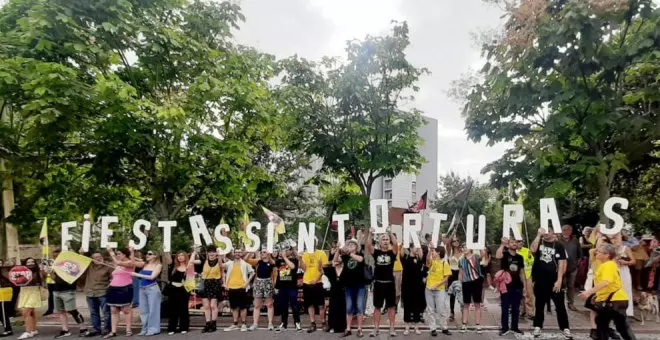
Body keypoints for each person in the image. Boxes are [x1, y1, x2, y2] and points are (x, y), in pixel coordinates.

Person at [579, 243, 637, 340]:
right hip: (610, 301)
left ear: (607, 255)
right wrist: (596, 297)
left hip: (616, 301)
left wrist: (588, 292)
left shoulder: (608, 265)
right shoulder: (605, 265)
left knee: (622, 328)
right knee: (601, 324)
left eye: (600, 251)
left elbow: (606, 282)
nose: (597, 252)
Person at [530, 228, 572, 339]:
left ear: (553, 232)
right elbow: (533, 249)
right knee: (539, 304)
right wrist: (538, 235)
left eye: (548, 230)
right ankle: (538, 326)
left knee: (560, 305)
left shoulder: (559, 245)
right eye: (544, 230)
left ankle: (565, 328)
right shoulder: (539, 241)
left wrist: (559, 280)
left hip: (554, 280)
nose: (546, 232)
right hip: (540, 279)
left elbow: (562, 263)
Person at [365, 230, 397, 337]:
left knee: (391, 307)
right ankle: (376, 328)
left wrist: (390, 232)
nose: (385, 241)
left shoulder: (392, 252)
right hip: (378, 284)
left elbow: (396, 244)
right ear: (379, 242)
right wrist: (370, 233)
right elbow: (369, 245)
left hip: (390, 284)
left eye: (387, 239)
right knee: (377, 307)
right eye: (383, 239)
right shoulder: (377, 252)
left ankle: (392, 328)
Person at [49, 251, 87, 339]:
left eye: (57, 256)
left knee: (72, 310)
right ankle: (65, 330)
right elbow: (51, 277)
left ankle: (83, 328)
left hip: (68, 290)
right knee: (61, 311)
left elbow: (79, 265)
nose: (55, 257)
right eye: (54, 256)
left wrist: (81, 254)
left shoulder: (68, 264)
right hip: (56, 290)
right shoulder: (54, 265)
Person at [495, 238, 526, 335]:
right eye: (512, 242)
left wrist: (524, 286)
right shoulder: (504, 254)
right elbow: (497, 255)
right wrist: (502, 245)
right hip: (506, 285)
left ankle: (515, 327)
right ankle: (505, 328)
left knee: (516, 308)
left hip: (517, 285)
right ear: (508, 244)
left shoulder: (520, 257)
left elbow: (522, 272)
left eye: (516, 242)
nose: (514, 244)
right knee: (505, 307)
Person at [79, 249, 112, 337]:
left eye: (99, 257)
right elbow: (81, 262)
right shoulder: (89, 265)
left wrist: (109, 287)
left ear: (102, 257)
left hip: (103, 292)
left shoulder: (108, 266)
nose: (98, 259)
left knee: (106, 312)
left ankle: (107, 329)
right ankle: (96, 329)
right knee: (93, 312)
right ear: (92, 259)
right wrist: (81, 253)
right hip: (90, 292)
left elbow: (113, 278)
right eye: (95, 257)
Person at [336, 239, 366, 338]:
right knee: (349, 308)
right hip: (348, 286)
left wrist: (349, 253)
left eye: (353, 244)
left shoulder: (360, 255)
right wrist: (337, 250)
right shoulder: (344, 257)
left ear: (357, 247)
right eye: (349, 244)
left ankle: (359, 329)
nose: (351, 245)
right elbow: (336, 260)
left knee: (359, 307)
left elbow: (360, 260)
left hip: (360, 286)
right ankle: (348, 329)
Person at [104, 248, 136, 338]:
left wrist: (111, 252)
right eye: (117, 254)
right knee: (114, 310)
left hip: (125, 288)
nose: (117, 255)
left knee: (126, 310)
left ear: (125, 255)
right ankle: (113, 331)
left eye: (119, 253)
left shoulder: (130, 263)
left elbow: (119, 262)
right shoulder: (118, 265)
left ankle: (128, 330)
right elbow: (116, 265)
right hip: (113, 288)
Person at [223, 249, 255, 332]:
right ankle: (235, 324)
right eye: (236, 252)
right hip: (231, 287)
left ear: (242, 253)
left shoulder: (245, 264)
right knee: (233, 307)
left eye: (239, 252)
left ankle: (244, 324)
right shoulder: (229, 263)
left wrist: (247, 283)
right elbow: (220, 266)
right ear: (234, 253)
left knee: (242, 307)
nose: (237, 253)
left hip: (241, 288)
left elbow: (252, 273)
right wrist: (220, 256)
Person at [132, 250, 162, 336]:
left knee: (153, 310)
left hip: (152, 288)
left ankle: (153, 329)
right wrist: (131, 251)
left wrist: (137, 275)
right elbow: (132, 261)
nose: (147, 255)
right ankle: (145, 328)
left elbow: (152, 277)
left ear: (155, 256)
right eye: (147, 253)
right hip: (142, 289)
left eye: (150, 254)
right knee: (143, 310)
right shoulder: (145, 264)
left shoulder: (158, 265)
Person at [301, 240, 328, 333]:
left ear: (316, 243)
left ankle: (323, 322)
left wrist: (316, 280)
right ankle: (312, 323)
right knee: (310, 304)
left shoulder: (321, 253)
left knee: (321, 305)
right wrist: (300, 258)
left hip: (318, 283)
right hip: (306, 282)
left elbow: (324, 270)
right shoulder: (304, 254)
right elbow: (303, 268)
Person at [424, 246, 451, 336]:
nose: (432, 252)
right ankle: (433, 328)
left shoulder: (444, 263)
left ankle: (444, 327)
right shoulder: (432, 261)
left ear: (439, 252)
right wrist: (429, 250)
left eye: (434, 251)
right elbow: (427, 260)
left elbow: (446, 278)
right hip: (429, 288)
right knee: (430, 309)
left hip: (439, 290)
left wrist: (437, 284)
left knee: (441, 309)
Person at [275, 243, 302, 332]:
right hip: (282, 287)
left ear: (290, 251)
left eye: (287, 250)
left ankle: (297, 323)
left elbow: (292, 267)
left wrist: (286, 256)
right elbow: (273, 262)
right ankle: (283, 323)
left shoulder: (294, 260)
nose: (285, 251)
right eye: (284, 250)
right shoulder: (279, 261)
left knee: (294, 306)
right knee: (283, 306)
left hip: (292, 287)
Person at [194, 245, 222, 333]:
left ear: (216, 253)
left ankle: (213, 324)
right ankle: (207, 324)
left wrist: (219, 255)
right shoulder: (204, 261)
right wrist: (194, 251)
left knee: (213, 305)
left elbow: (221, 265)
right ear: (207, 253)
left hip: (215, 284)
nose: (212, 254)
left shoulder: (218, 261)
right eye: (210, 252)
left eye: (213, 252)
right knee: (206, 306)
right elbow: (192, 262)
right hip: (205, 283)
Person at [248, 249, 275, 331]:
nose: (262, 253)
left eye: (264, 252)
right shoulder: (258, 262)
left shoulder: (271, 262)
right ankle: (255, 323)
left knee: (269, 304)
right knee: (256, 305)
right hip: (258, 282)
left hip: (268, 282)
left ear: (268, 253)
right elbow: (246, 260)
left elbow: (273, 263)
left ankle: (270, 324)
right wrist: (250, 251)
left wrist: (269, 256)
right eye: (261, 252)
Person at [458, 247, 484, 333]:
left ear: (470, 249)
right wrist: (459, 283)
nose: (464, 248)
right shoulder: (461, 260)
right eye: (463, 247)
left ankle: (478, 325)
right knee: (466, 304)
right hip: (466, 283)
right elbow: (461, 273)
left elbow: (483, 255)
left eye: (466, 247)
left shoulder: (476, 257)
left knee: (477, 304)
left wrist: (481, 246)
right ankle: (464, 324)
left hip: (476, 282)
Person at [167, 251, 193, 335]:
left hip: (184, 289)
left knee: (183, 309)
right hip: (173, 289)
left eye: (182, 255)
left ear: (185, 257)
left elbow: (190, 280)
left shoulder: (189, 267)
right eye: (178, 256)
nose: (180, 257)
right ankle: (172, 328)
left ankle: (184, 327)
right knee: (173, 309)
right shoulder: (172, 267)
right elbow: (170, 278)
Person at [610, 233, 635, 317]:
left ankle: (627, 311)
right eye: (613, 239)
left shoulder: (626, 248)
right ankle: (614, 310)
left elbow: (633, 261)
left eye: (616, 238)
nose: (615, 240)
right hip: (613, 271)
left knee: (625, 289)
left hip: (624, 271)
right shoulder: (610, 249)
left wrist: (625, 262)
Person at [16, 258, 41, 340]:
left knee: (26, 312)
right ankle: (33, 330)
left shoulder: (38, 272)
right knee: (31, 312)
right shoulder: (20, 272)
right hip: (24, 292)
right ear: (25, 263)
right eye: (28, 262)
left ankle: (28, 331)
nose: (31, 263)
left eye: (32, 261)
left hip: (33, 292)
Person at [560, 224, 582, 311]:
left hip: (573, 267)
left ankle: (571, 303)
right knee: (562, 285)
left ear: (571, 231)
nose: (566, 232)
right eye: (564, 230)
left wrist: (577, 264)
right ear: (561, 231)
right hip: (561, 267)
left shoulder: (575, 240)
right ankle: (560, 303)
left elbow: (580, 253)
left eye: (568, 230)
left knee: (571, 285)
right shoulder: (558, 241)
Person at [325, 260, 346, 333]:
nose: (338, 259)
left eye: (340, 257)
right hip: (333, 292)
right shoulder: (331, 270)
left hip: (343, 292)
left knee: (342, 309)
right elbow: (324, 266)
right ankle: (332, 326)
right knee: (333, 309)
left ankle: (342, 327)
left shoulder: (345, 269)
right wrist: (332, 263)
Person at [445, 237, 462, 321]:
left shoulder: (463, 251)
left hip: (462, 274)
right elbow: (447, 243)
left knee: (462, 293)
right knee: (452, 294)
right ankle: (452, 313)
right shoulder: (450, 251)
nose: (456, 242)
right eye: (454, 241)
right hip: (452, 274)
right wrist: (452, 234)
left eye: (457, 240)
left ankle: (463, 311)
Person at [518, 240, 535, 319]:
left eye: (521, 241)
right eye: (518, 241)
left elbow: (532, 262)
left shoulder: (527, 250)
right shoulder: (513, 251)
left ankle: (530, 312)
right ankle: (522, 310)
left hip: (527, 275)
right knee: (520, 294)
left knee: (529, 293)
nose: (520, 243)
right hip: (517, 276)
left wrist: (529, 257)